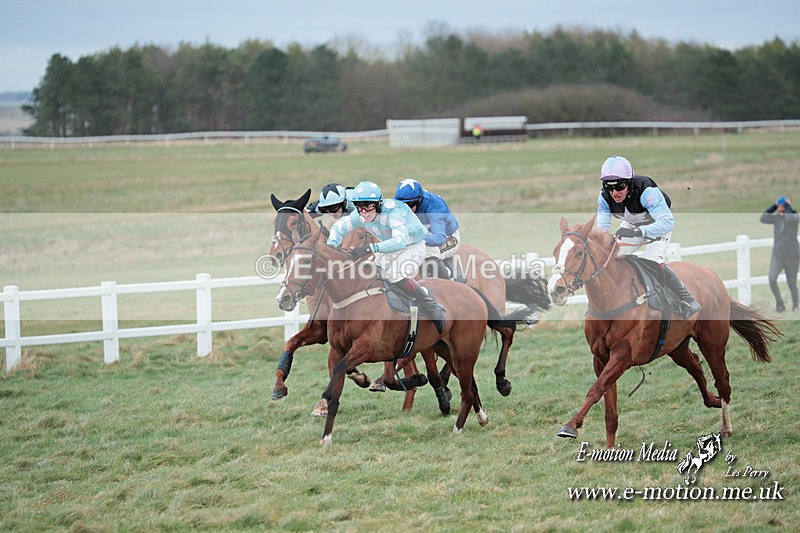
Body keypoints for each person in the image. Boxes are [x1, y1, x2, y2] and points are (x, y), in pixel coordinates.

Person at [327, 180, 446, 333]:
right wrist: (332, 245)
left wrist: (369, 248)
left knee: (395, 275)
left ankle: (430, 304)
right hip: (390, 246)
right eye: (360, 207)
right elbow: (339, 227)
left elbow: (400, 241)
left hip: (413, 245)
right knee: (370, 269)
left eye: (368, 206)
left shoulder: (393, 212)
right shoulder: (361, 215)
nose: (364, 212)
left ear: (378, 203)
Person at [595, 155, 701, 319]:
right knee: (612, 258)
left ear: (629, 182)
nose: (614, 193)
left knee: (652, 262)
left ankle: (687, 299)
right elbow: (601, 229)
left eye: (620, 186)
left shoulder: (646, 190)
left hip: (658, 225)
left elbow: (667, 222)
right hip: (632, 225)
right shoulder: (604, 197)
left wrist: (639, 233)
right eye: (609, 187)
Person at [394, 178, 461, 280]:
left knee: (427, 252)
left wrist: (413, 241)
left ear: (420, 200)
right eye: (403, 205)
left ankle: (447, 281)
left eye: (410, 205)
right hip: (421, 237)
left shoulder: (435, 206)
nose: (406, 209)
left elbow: (439, 238)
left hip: (448, 237)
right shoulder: (396, 205)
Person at [760, 195, 799, 312]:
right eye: (780, 206)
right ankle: (780, 304)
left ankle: (796, 306)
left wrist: (787, 207)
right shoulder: (776, 218)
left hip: (792, 256)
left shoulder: (794, 216)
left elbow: (790, 220)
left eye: (781, 206)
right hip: (777, 255)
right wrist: (774, 206)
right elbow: (763, 218)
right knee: (772, 278)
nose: (780, 208)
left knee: (791, 282)